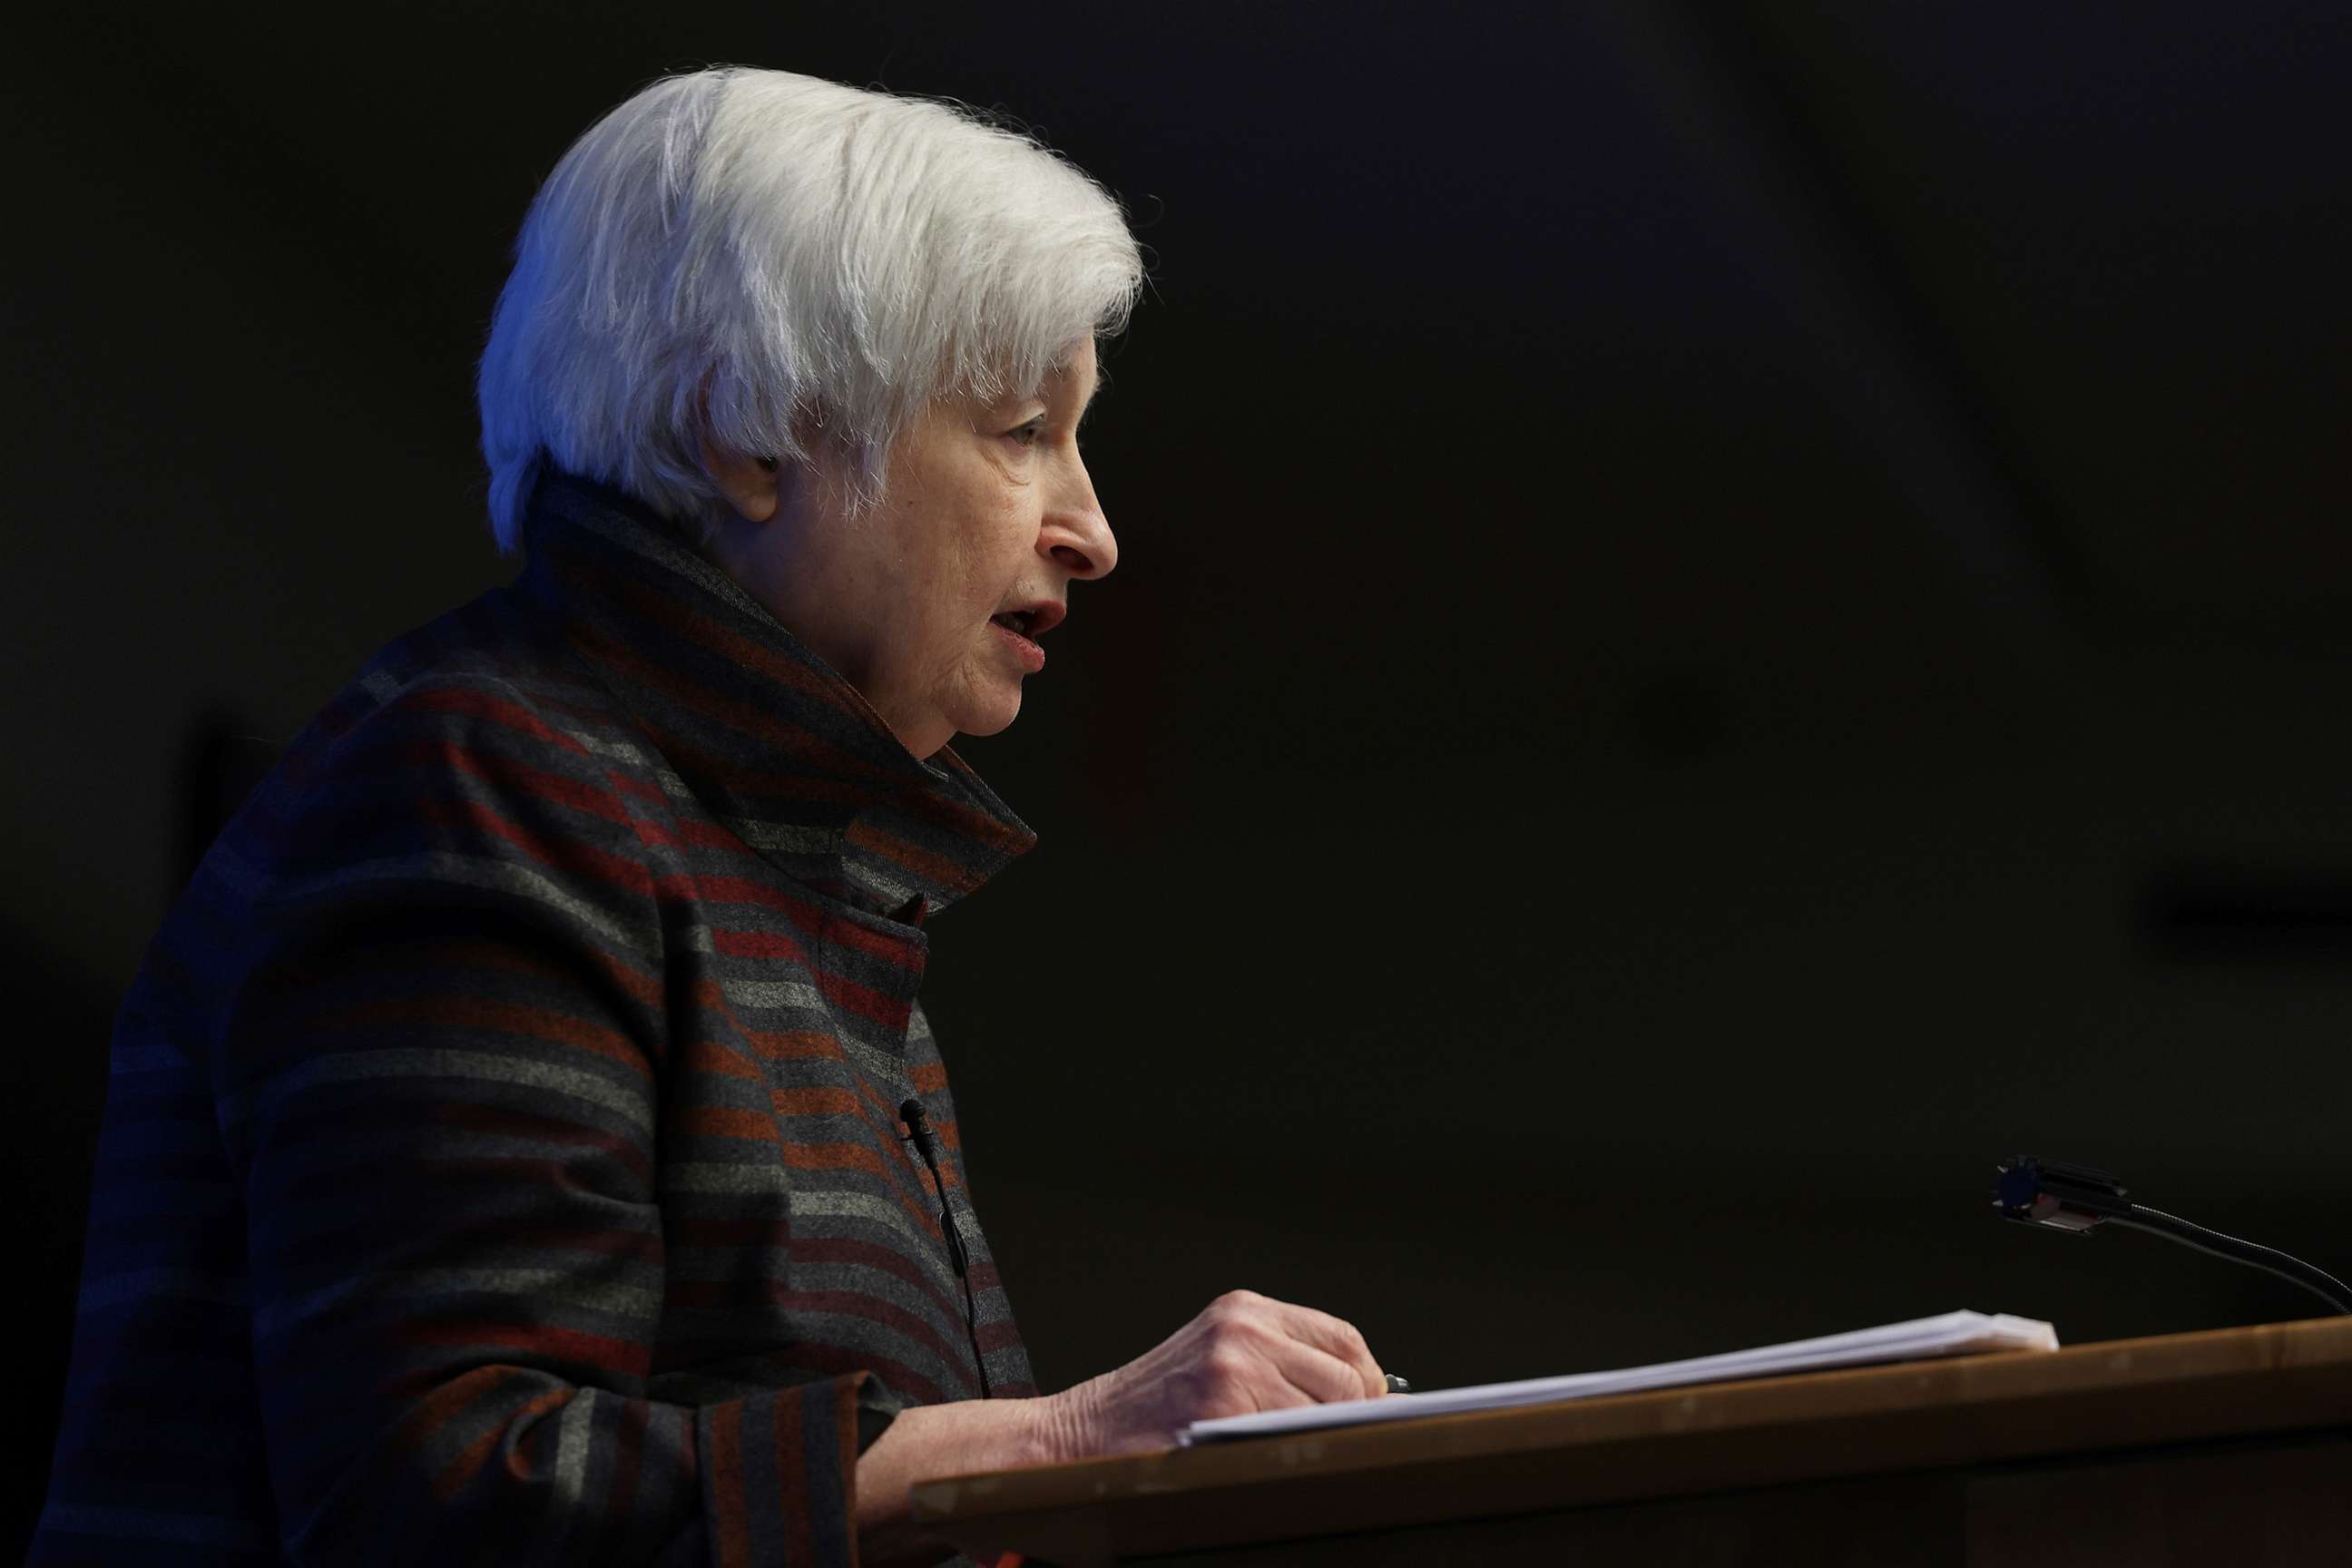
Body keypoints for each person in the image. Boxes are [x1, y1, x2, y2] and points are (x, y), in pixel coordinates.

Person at [34, 66, 1389, 1568]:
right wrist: (1065, 1439)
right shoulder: (490, 782)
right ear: (751, 434)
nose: (1094, 527)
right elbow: (441, 1498)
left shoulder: (735, 841)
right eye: (1020, 427)